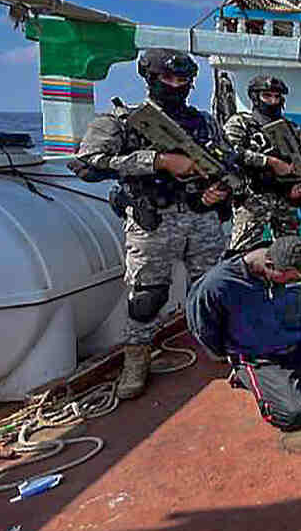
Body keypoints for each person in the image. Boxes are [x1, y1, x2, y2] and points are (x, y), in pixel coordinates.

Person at [71, 48, 231, 400]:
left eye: (183, 79)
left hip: (201, 217)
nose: (176, 85)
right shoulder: (122, 121)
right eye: (167, 78)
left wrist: (217, 191)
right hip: (153, 220)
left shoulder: (205, 123)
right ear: (149, 78)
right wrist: (157, 161)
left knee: (210, 287)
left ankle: (213, 342)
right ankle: (136, 359)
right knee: (147, 295)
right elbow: (87, 163)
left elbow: (226, 164)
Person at [186, 236, 301, 431]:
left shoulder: (291, 264)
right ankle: (249, 375)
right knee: (293, 416)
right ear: (269, 266)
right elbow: (203, 327)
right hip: (262, 359)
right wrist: (229, 353)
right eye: (290, 280)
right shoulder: (218, 284)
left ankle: (288, 382)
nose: (295, 283)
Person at [222, 74, 301, 251]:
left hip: (284, 198)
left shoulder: (291, 128)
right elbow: (230, 153)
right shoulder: (240, 123)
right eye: (267, 96)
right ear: (255, 97)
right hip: (252, 198)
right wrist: (268, 161)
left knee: (291, 250)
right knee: (242, 251)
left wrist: (300, 184)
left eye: (277, 97)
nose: (273, 101)